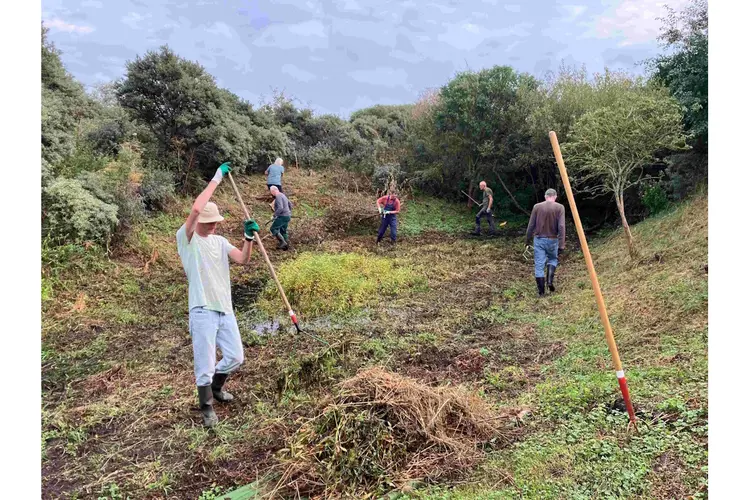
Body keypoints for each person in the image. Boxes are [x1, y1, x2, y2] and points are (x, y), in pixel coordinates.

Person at [176, 161, 261, 427]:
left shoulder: (220, 241)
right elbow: (197, 208)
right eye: (208, 221)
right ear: (200, 221)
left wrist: (248, 238)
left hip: (225, 308)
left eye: (215, 222)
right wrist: (216, 177)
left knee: (236, 356)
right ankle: (206, 406)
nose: (213, 225)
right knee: (205, 361)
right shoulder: (187, 239)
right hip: (202, 309)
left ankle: (215, 387)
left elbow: (243, 260)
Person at [525, 188, 566, 297]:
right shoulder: (560, 207)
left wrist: (527, 240)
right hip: (553, 239)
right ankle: (549, 281)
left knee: (539, 265)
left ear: (545, 196)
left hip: (539, 239)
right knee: (553, 259)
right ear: (555, 196)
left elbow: (531, 225)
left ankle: (541, 292)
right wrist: (561, 244)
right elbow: (561, 226)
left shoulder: (537, 207)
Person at [269, 185, 292, 250]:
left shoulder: (278, 196)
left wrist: (274, 215)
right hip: (287, 216)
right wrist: (288, 212)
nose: (271, 194)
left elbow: (280, 208)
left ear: (273, 191)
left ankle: (283, 242)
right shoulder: (283, 195)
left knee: (273, 229)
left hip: (282, 216)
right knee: (283, 230)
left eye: (271, 192)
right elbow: (290, 204)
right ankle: (286, 246)